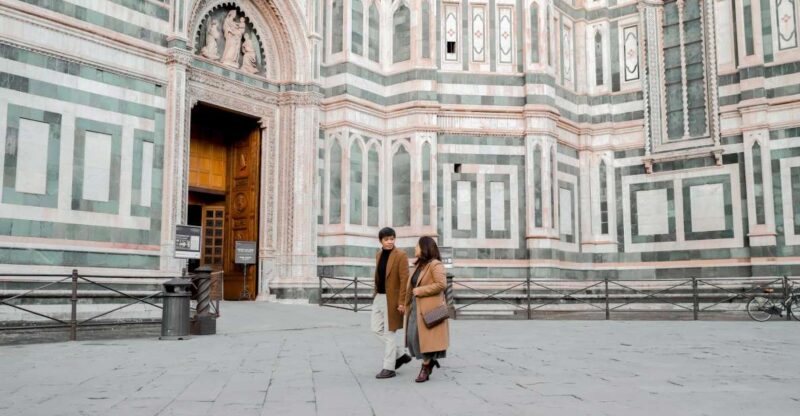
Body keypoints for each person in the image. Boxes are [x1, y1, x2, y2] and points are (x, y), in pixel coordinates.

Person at [403, 236, 449, 383]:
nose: (415, 248)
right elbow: (411, 286)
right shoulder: (419, 265)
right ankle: (429, 361)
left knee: (425, 339)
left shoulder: (435, 265)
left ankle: (426, 367)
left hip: (429, 309)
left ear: (424, 248)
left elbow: (441, 284)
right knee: (413, 337)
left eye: (417, 246)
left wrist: (420, 291)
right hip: (416, 306)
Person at [371, 227, 412, 379]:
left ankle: (389, 368)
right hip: (379, 297)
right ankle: (400, 355)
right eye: (386, 239)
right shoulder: (378, 255)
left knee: (390, 333)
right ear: (381, 240)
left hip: (393, 299)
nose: (390, 242)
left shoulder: (401, 255)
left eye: (392, 239)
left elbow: (404, 280)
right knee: (375, 329)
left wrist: (402, 302)